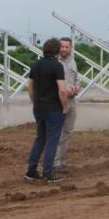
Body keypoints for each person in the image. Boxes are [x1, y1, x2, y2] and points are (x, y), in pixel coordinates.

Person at [24, 38, 68, 184]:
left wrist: (35, 102)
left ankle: (31, 171)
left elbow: (29, 87)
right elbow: (62, 90)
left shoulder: (35, 65)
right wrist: (65, 106)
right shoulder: (57, 66)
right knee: (52, 141)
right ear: (57, 51)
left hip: (39, 108)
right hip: (54, 109)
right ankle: (48, 173)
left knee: (40, 139)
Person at [53, 37, 80, 172]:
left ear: (71, 48)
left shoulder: (73, 62)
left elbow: (77, 79)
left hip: (71, 102)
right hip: (58, 102)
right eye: (62, 46)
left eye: (66, 47)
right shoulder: (54, 62)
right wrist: (64, 92)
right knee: (57, 132)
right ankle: (55, 162)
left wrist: (77, 87)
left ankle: (62, 160)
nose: (64, 49)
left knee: (68, 131)